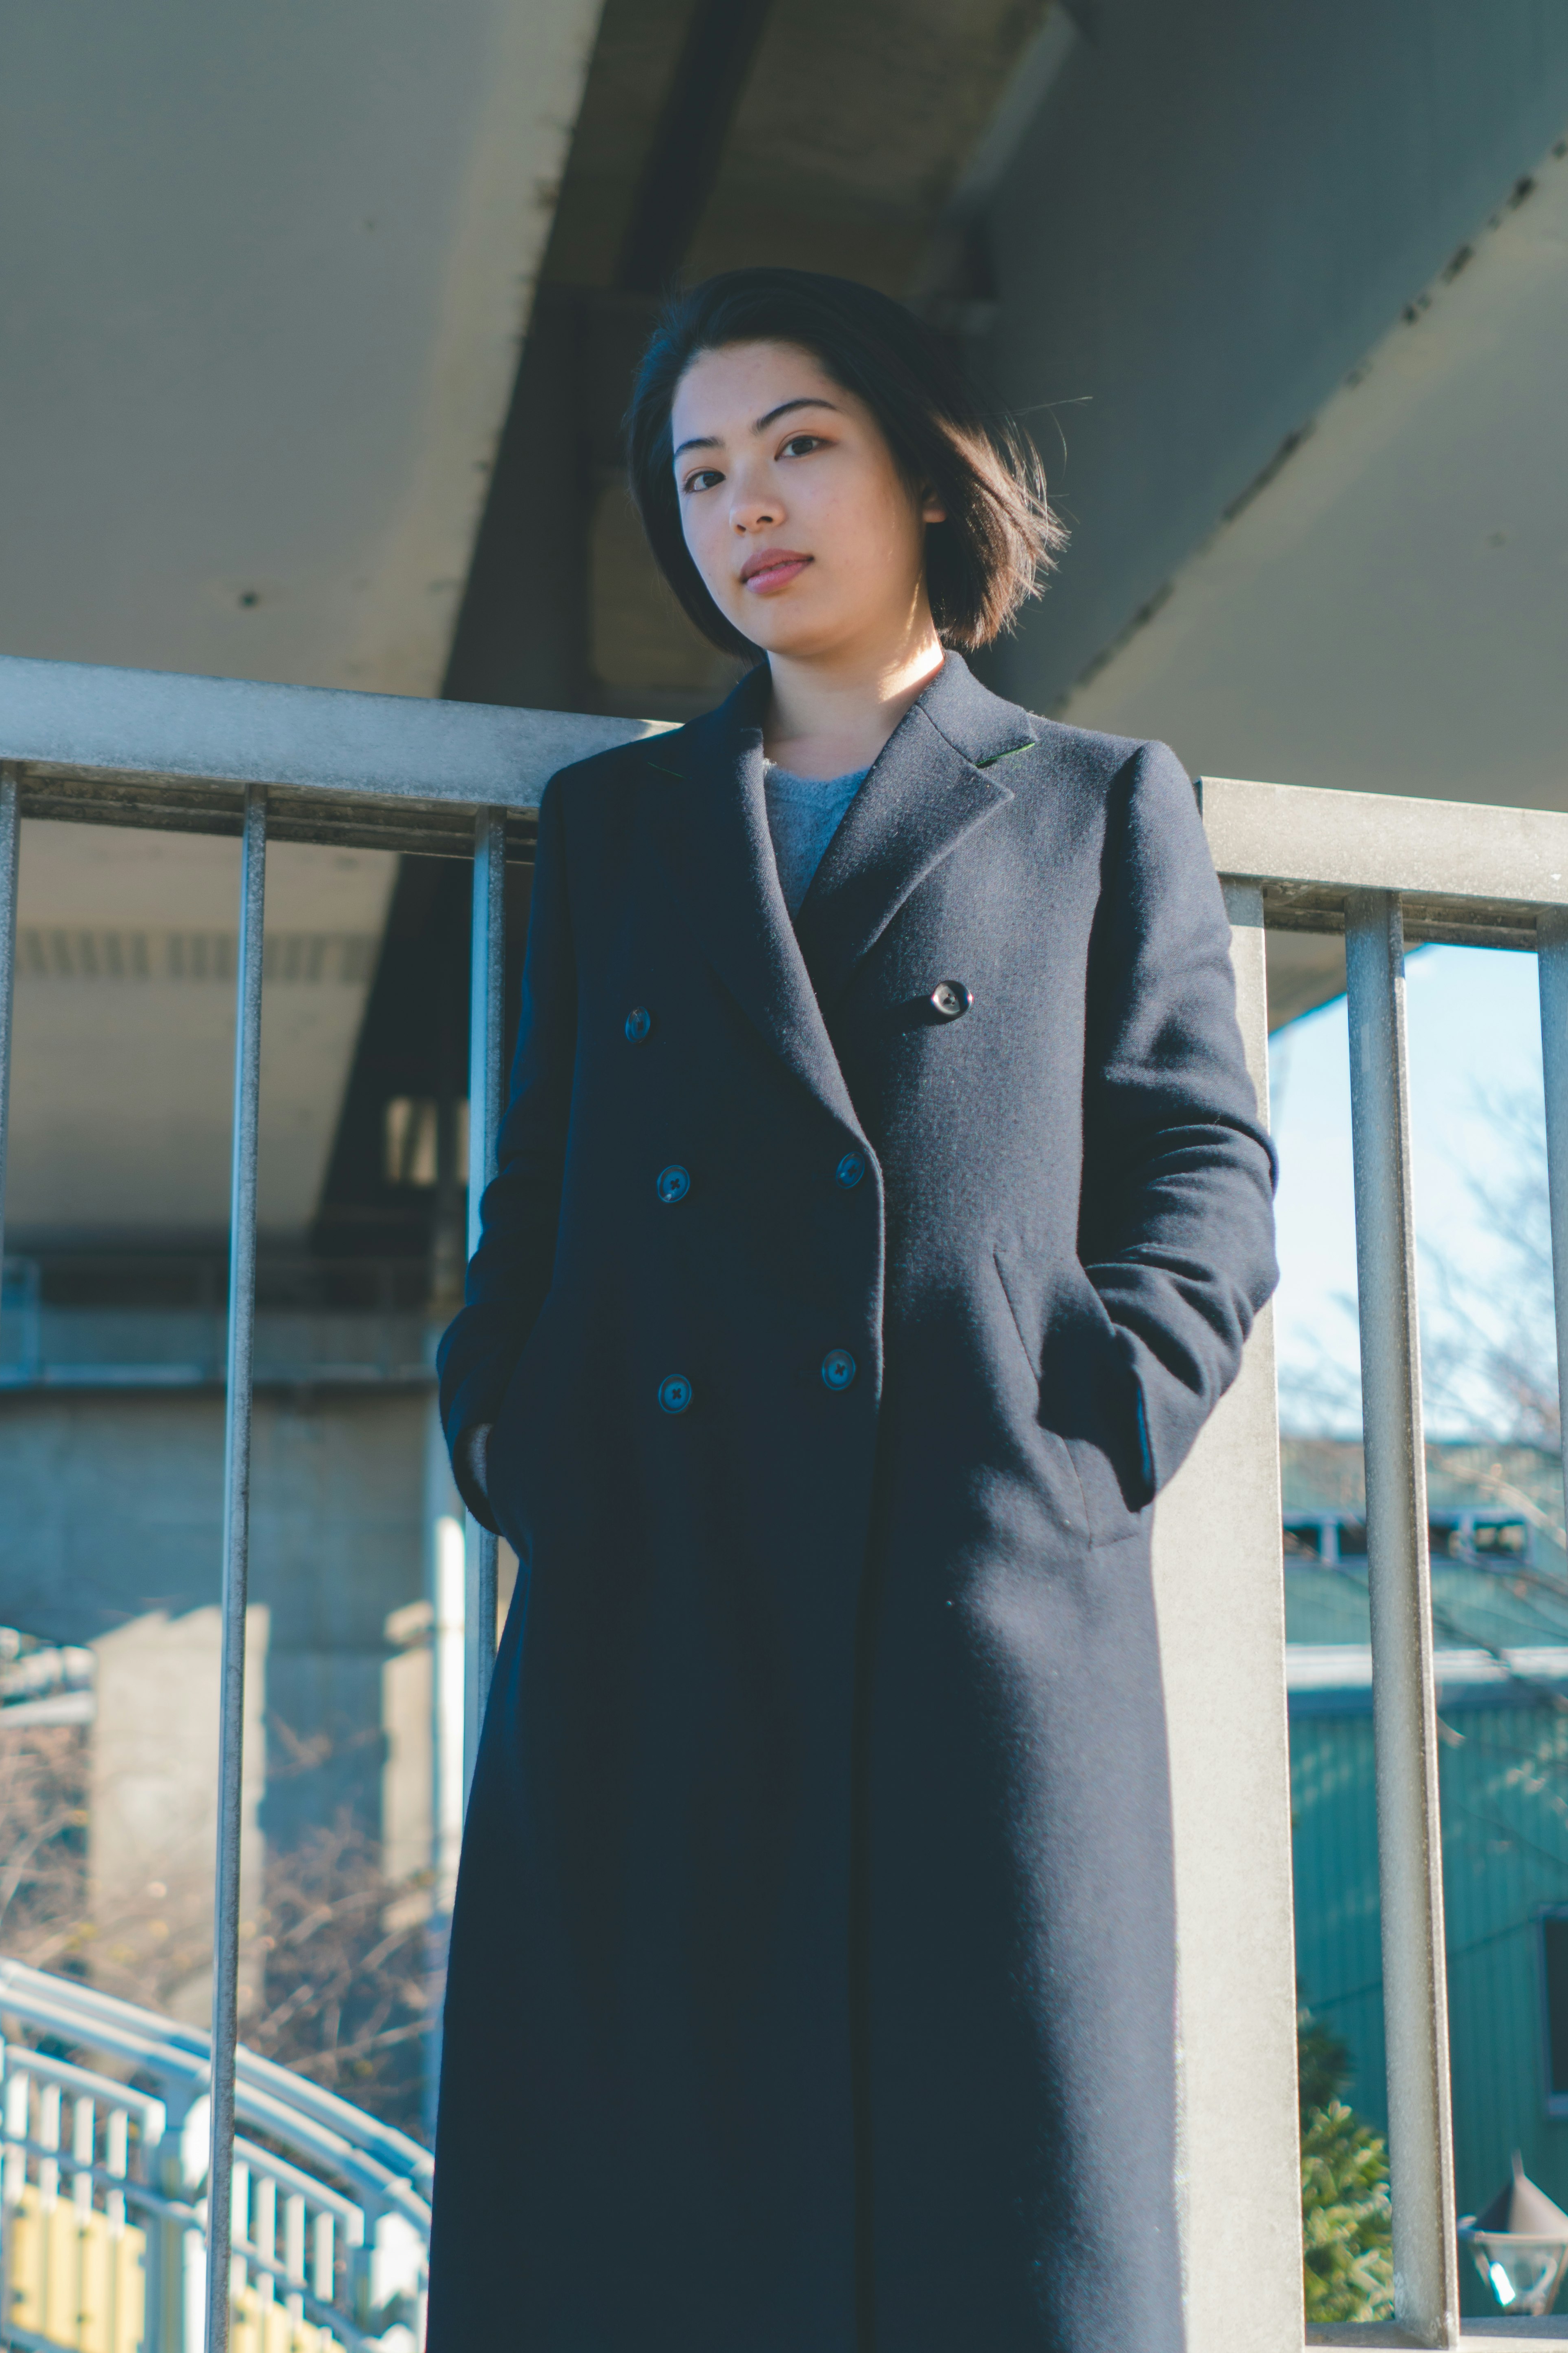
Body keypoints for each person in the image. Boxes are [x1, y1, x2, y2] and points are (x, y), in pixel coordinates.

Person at [428, 267, 1277, 2353]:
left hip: (971, 1576)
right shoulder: (613, 826)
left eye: (800, 443)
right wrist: (511, 1424)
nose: (749, 507)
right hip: (653, 1568)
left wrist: (1093, 1415)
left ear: (920, 466)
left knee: (993, 2201)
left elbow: (1202, 1162)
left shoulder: (1095, 801)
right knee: (634, 2212)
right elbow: (535, 1187)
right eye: (701, 472)